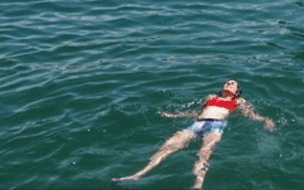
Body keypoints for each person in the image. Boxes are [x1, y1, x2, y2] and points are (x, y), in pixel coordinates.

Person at [113, 79, 275, 189]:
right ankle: (138, 174)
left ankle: (198, 185)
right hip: (197, 124)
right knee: (167, 147)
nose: (229, 84)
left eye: (233, 84)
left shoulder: (239, 102)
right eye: (227, 82)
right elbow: (197, 113)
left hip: (216, 126)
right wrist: (175, 115)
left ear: (237, 90)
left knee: (203, 154)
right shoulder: (211, 97)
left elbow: (252, 115)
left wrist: (265, 120)